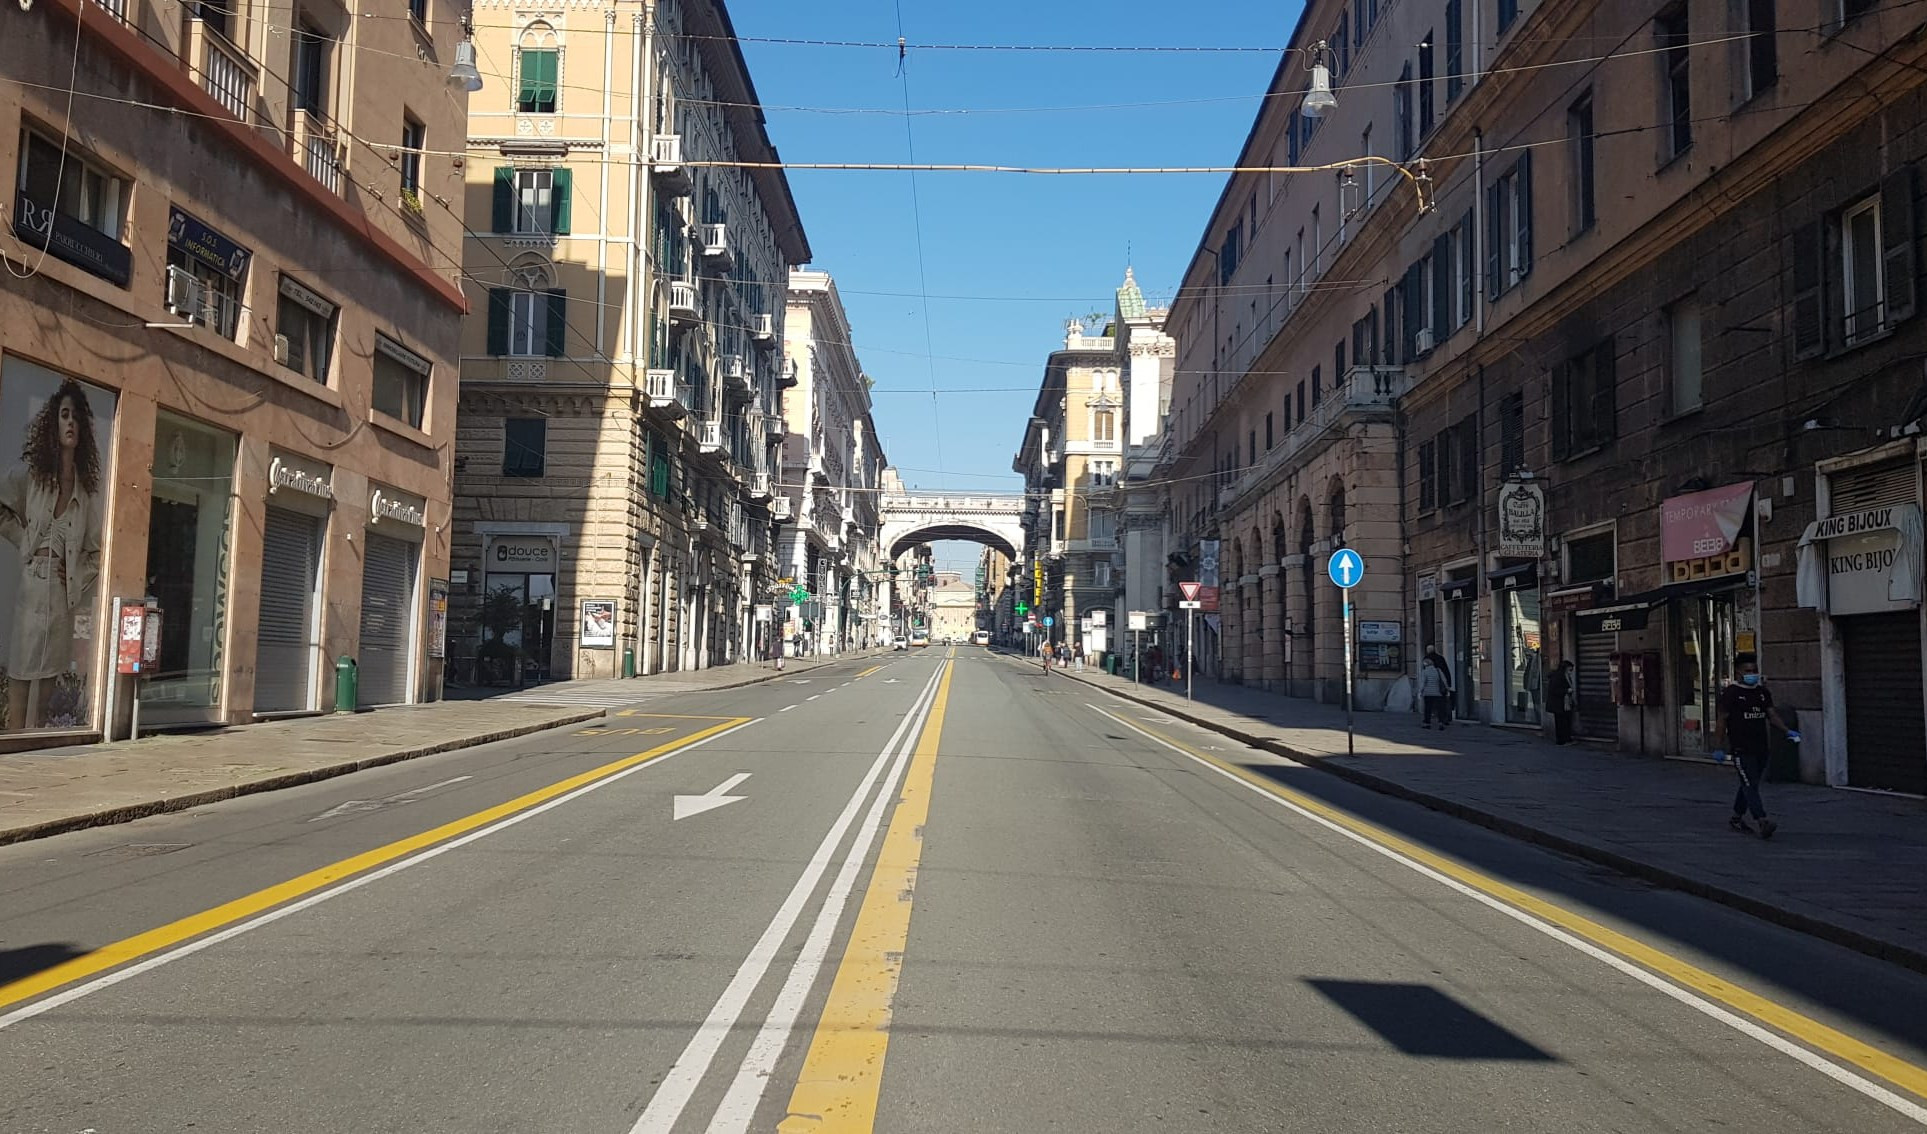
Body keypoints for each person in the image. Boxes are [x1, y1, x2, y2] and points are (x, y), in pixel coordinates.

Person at [0, 379, 104, 732]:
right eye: (64, 415)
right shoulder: (32, 476)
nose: (71, 423)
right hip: (31, 586)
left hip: (61, 597)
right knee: (20, 667)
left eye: (76, 417)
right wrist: (24, 538)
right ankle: (12, 742)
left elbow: (98, 551)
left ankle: (33, 748)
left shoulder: (85, 494)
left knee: (45, 685)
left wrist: (74, 575)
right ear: (54, 423)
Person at [1712, 652, 1799, 839]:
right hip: (1740, 748)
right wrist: (1718, 747)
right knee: (1749, 783)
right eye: (1748, 671)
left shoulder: (1762, 692)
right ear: (1738, 672)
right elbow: (1721, 720)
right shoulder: (1731, 693)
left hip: (1761, 747)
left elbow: (1772, 715)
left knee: (1750, 784)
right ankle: (1762, 820)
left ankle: (1736, 817)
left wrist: (1787, 731)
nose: (1752, 674)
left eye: (1754, 670)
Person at [1418, 651, 1453, 729]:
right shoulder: (1438, 670)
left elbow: (1423, 683)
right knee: (1440, 708)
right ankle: (1440, 723)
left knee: (1428, 709)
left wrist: (1420, 691)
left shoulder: (1425, 672)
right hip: (1437, 693)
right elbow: (1444, 680)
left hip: (1427, 693)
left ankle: (1427, 723)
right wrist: (1447, 689)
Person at [1546, 659, 1577, 744]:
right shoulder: (1558, 677)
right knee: (1560, 722)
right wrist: (1566, 690)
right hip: (1559, 704)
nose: (1571, 672)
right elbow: (1553, 690)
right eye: (1570, 670)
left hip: (1565, 703)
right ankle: (1561, 740)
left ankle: (1567, 738)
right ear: (1565, 668)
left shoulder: (1565, 676)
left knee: (1566, 721)